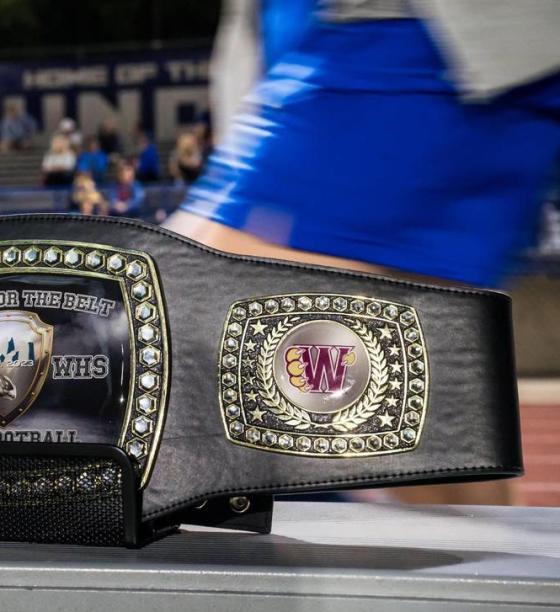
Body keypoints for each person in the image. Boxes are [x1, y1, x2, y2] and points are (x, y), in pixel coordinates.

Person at [168, 0, 560, 505]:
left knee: (188, 294)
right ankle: (497, 578)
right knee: (442, 432)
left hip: (408, 54)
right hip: (428, 62)